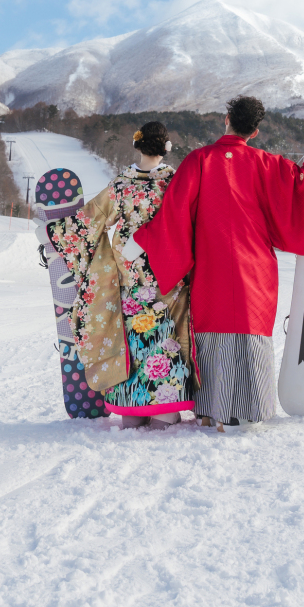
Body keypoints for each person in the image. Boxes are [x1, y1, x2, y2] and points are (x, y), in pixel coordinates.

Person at [122, 96, 304, 432]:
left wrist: (141, 240)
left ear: (225, 119)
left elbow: (174, 210)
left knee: (210, 335)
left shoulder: (199, 160)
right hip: (254, 268)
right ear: (254, 131)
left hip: (211, 265)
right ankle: (248, 410)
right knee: (249, 332)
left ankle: (210, 410)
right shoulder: (267, 163)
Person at [51, 121, 193, 430]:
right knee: (167, 339)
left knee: (133, 340)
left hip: (131, 276)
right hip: (169, 274)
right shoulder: (176, 182)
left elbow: (92, 219)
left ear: (138, 146)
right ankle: (166, 406)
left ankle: (132, 408)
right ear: (167, 147)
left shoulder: (122, 184)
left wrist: (56, 234)